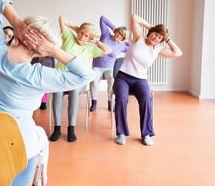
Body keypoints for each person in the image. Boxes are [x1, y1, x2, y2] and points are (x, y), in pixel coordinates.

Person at [0, 0, 95, 185]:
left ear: (17, 35)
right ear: (40, 52)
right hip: (14, 152)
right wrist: (54, 50)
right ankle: (40, 180)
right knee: (40, 138)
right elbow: (86, 75)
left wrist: (16, 22)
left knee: (38, 137)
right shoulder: (38, 76)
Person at [113, 14, 182, 146]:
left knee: (146, 99)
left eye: (160, 37)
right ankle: (121, 133)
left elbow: (178, 53)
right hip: (123, 77)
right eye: (155, 34)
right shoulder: (138, 37)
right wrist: (152, 27)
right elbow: (134, 17)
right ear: (151, 32)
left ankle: (147, 134)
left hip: (140, 80)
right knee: (122, 98)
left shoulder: (158, 49)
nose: (156, 38)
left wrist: (167, 39)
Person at [50, 16, 112, 142]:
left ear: (90, 38)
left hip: (77, 80)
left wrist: (96, 41)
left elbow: (108, 50)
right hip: (61, 77)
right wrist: (78, 28)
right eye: (81, 34)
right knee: (57, 92)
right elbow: (62, 18)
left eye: (86, 36)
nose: (82, 37)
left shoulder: (91, 48)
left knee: (74, 90)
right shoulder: (69, 37)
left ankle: (71, 129)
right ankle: (57, 128)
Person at [90, 15, 130, 112]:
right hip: (97, 67)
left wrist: (126, 41)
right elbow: (103, 18)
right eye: (118, 32)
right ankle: (94, 102)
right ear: (115, 31)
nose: (118, 35)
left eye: (121, 35)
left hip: (109, 68)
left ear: (123, 38)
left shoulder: (121, 46)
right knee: (94, 80)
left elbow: (132, 49)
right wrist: (115, 28)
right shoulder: (105, 35)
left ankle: (109, 103)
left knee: (111, 80)